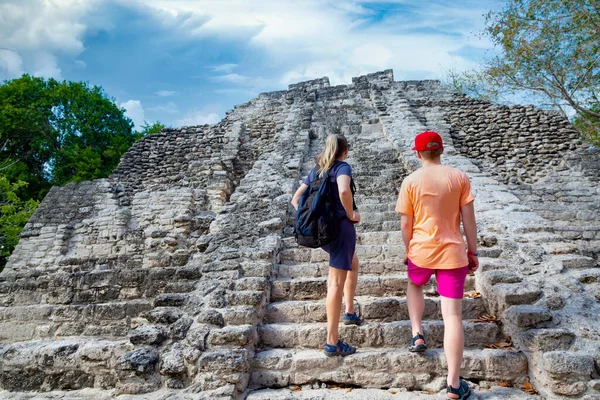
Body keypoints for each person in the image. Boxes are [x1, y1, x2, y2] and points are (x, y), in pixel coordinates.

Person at [395, 131, 479, 400]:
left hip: (421, 250)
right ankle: (453, 384)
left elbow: (406, 224)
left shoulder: (410, 181)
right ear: (441, 151)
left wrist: (409, 249)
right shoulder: (459, 177)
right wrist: (472, 251)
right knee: (453, 316)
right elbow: (469, 220)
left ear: (417, 154)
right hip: (453, 252)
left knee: (414, 284)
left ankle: (417, 332)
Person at [291, 134, 361, 357]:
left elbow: (296, 199)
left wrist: (314, 218)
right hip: (341, 229)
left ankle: (349, 310)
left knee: (353, 261)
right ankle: (332, 342)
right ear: (345, 150)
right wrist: (350, 215)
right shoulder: (342, 167)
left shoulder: (317, 170)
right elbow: (343, 190)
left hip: (324, 233)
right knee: (335, 284)